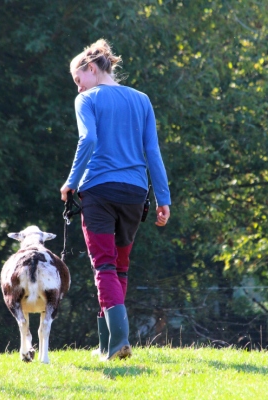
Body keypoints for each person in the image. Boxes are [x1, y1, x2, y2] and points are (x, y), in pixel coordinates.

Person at [60, 39, 171, 360]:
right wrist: (163, 197)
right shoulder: (142, 100)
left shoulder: (87, 101)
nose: (78, 88)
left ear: (91, 69)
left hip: (99, 191)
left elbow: (89, 139)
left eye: (78, 80)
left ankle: (119, 341)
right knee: (120, 266)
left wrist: (70, 182)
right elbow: (152, 152)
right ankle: (107, 344)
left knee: (104, 265)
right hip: (136, 194)